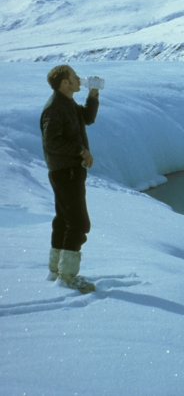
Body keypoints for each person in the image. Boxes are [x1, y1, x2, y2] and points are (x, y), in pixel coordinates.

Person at [40, 65, 99, 293]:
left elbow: (87, 118)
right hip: (66, 171)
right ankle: (67, 277)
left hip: (67, 170)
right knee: (78, 223)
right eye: (75, 76)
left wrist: (92, 96)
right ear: (65, 82)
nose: (79, 79)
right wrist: (80, 151)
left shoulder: (66, 103)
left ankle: (57, 271)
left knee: (64, 220)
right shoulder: (55, 108)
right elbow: (51, 142)